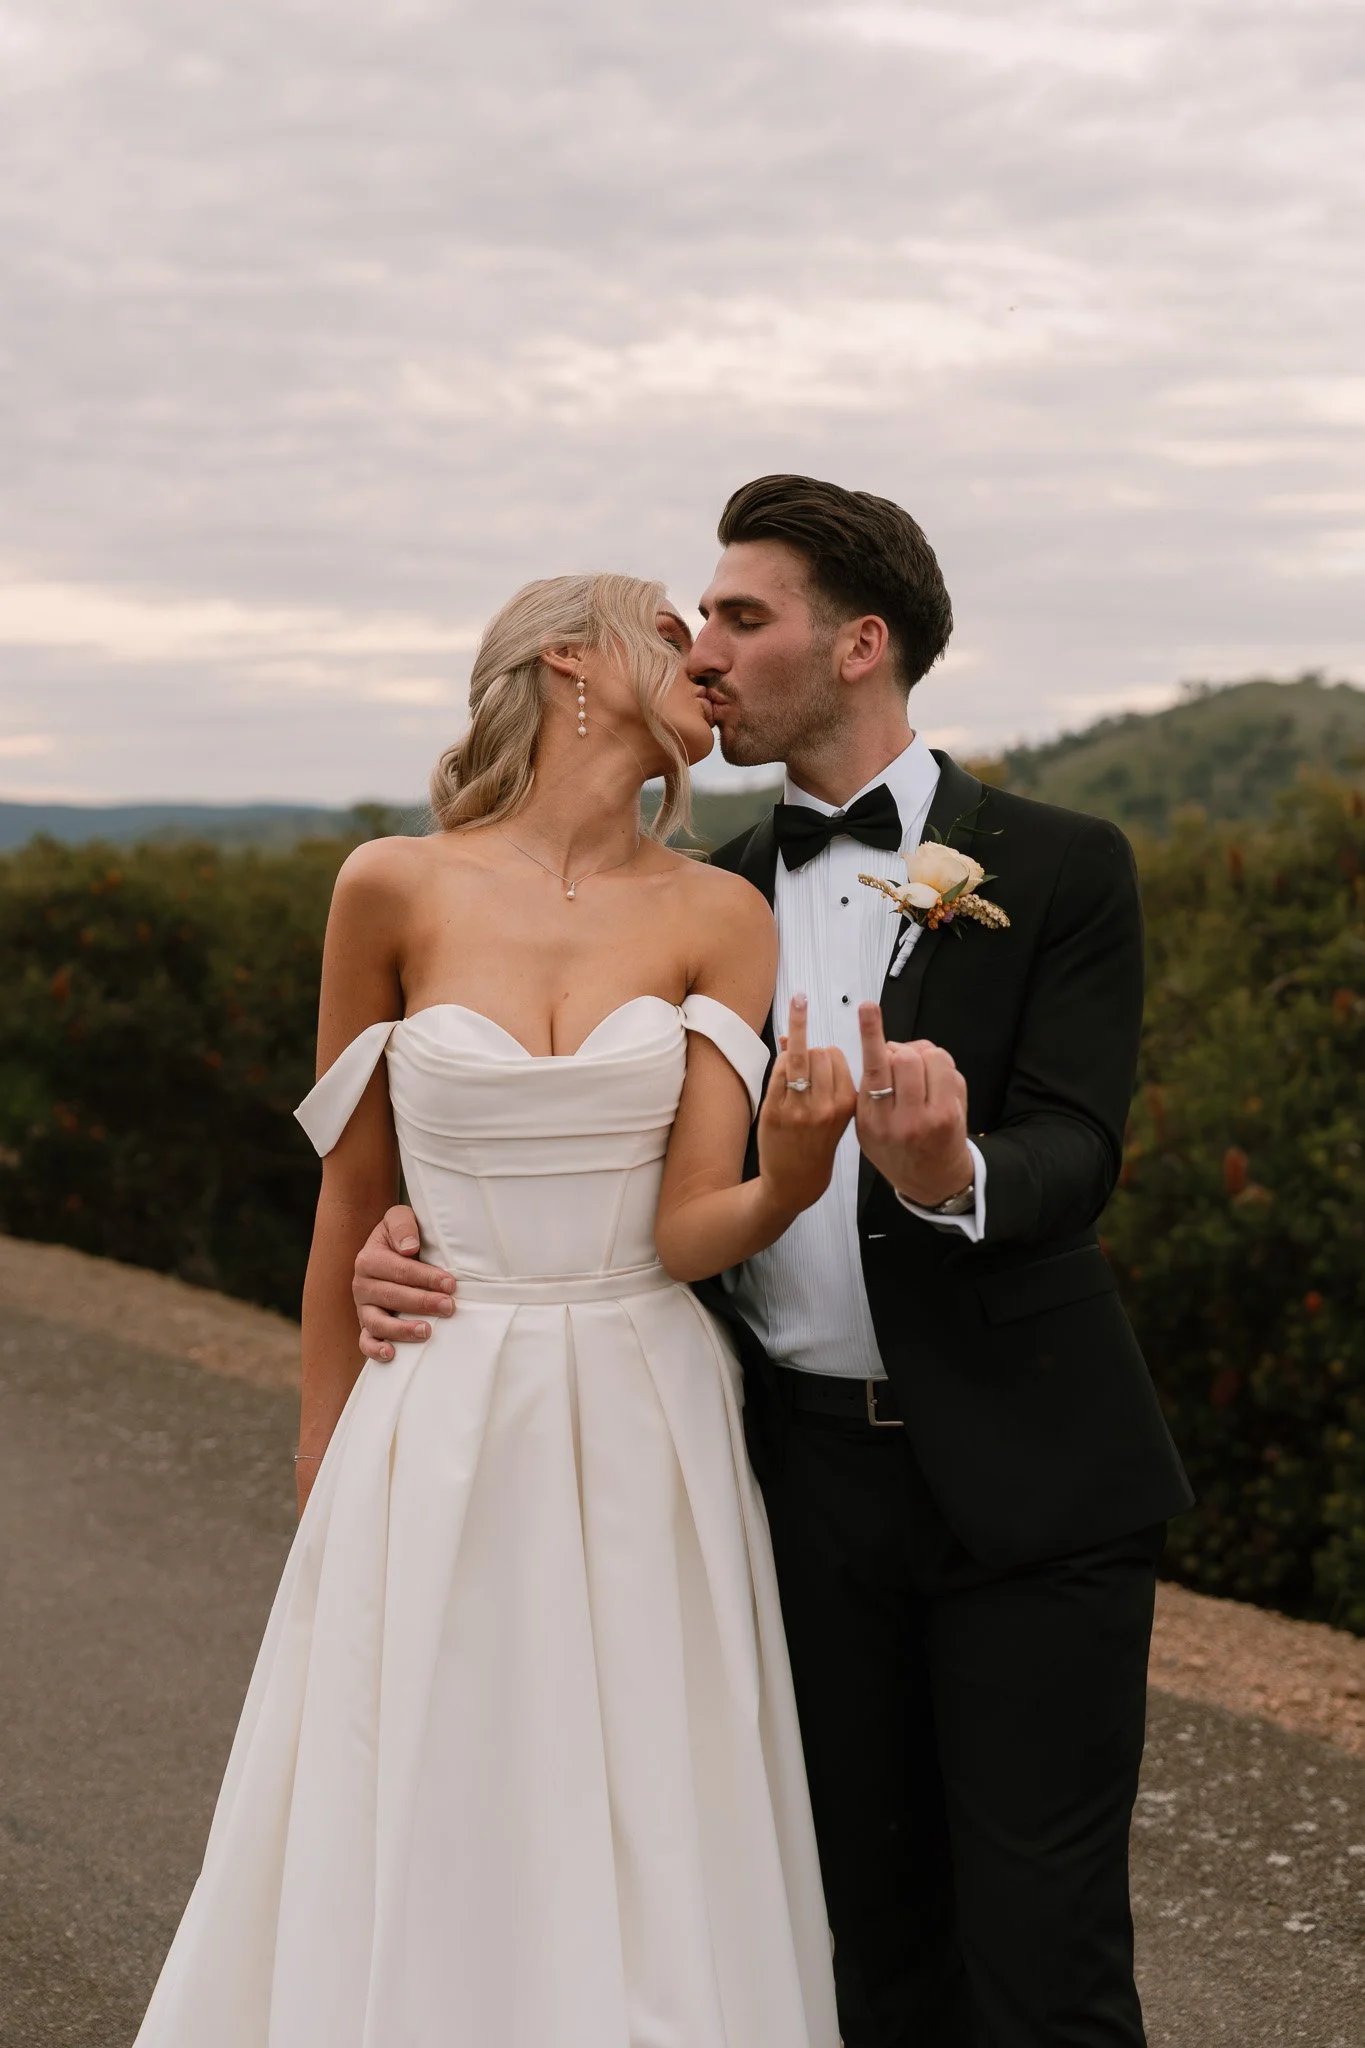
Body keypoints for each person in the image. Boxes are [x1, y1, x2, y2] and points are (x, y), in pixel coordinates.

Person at [356, 478, 1194, 2048]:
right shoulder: (698, 896)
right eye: (700, 622)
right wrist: (409, 1231)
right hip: (778, 1486)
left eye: (743, 617)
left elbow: (1081, 1150)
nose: (711, 652)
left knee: (1046, 1953)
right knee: (849, 1943)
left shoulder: (1067, 863)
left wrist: (955, 1175)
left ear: (859, 644)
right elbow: (597, 1163)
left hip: (1030, 1481)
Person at [133, 572, 846, 2047]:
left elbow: (691, 1221)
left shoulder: (722, 913)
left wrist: (795, 1176)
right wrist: (325, 1454)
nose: (705, 660)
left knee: (650, 1805)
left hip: (646, 1402)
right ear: (572, 659)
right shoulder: (390, 885)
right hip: (434, 1401)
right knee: (431, 1782)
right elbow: (352, 1194)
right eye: (671, 627)